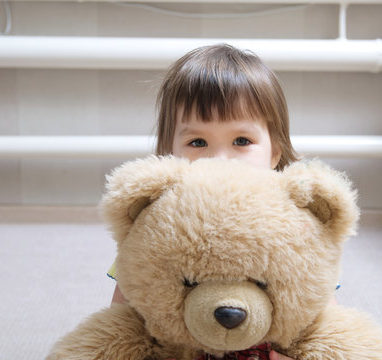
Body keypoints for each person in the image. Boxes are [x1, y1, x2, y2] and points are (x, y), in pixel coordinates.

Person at [108, 43, 301, 360]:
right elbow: (123, 317)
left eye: (242, 141)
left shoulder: (293, 223)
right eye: (198, 142)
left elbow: (319, 316)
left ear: (275, 152)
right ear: (170, 151)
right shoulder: (155, 226)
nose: (219, 158)